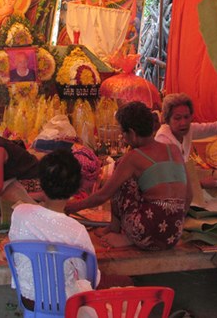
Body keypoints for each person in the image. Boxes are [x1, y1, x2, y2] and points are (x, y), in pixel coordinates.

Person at [65, 101, 192, 250]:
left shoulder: (132, 158)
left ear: (131, 133)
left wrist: (71, 207)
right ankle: (121, 229)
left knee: (121, 176)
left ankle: (119, 231)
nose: (124, 138)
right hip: (174, 234)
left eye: (123, 134)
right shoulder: (174, 150)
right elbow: (189, 195)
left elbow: (103, 195)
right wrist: (174, 219)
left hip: (145, 234)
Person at [9, 149, 100, 307]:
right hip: (63, 305)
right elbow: (91, 277)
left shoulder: (20, 213)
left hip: (29, 300)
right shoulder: (76, 230)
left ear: (41, 183)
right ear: (76, 189)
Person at [155, 92, 217, 162]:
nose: (183, 122)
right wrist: (201, 183)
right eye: (177, 118)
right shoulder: (163, 139)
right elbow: (171, 175)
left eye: (186, 117)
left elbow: (216, 127)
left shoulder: (190, 129)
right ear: (167, 120)